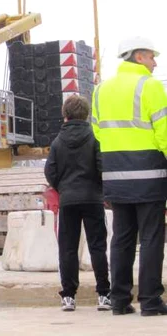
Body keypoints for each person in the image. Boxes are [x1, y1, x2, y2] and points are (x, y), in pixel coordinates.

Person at [91, 36, 167, 316]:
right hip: (149, 175)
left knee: (121, 238)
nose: (155, 62)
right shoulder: (150, 86)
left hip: (115, 175)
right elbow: (164, 133)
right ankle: (150, 301)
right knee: (151, 238)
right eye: (151, 57)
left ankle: (120, 300)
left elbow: (97, 132)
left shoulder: (100, 90)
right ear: (137, 57)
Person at [44, 95, 110, 312]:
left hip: (68, 200)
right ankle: (103, 294)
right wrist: (99, 188)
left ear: (65, 115)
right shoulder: (94, 138)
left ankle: (69, 297)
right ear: (87, 114)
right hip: (92, 198)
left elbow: (50, 172)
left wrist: (63, 188)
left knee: (68, 249)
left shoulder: (57, 142)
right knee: (97, 246)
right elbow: (102, 167)